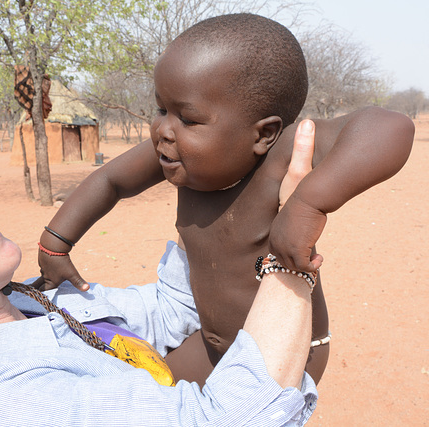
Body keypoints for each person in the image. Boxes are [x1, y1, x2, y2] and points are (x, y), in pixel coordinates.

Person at [0, 97, 325, 426]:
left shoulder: (32, 301)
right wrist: (288, 260)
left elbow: (166, 313)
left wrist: (206, 184)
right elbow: (234, 421)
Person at [34, 13, 415, 386]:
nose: (163, 130)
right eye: (162, 109)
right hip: (210, 342)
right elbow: (111, 179)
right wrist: (55, 243)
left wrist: (307, 204)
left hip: (286, 354)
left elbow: (390, 128)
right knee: (153, 397)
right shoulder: (182, 156)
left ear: (262, 134)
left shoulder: (281, 154)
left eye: (189, 119)